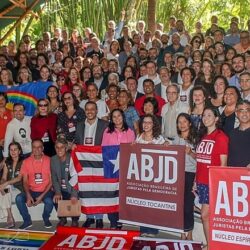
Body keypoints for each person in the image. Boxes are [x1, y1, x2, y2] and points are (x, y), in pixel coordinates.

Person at [195, 107, 228, 250]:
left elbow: (223, 164)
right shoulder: (203, 136)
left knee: (205, 215)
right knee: (206, 216)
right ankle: (211, 244)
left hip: (212, 182)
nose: (206, 117)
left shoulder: (220, 137)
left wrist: (218, 184)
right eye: (204, 115)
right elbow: (200, 160)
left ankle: (212, 245)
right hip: (201, 181)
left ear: (216, 118)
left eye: (209, 115)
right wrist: (195, 180)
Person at [74, 101, 108, 228]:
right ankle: (89, 218)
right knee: (87, 190)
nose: (89, 111)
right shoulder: (79, 126)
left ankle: (99, 218)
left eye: (92, 109)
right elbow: (77, 142)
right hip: (85, 164)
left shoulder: (105, 125)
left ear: (97, 110)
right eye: (87, 109)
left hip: (99, 163)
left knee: (98, 190)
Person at [102, 109, 135, 229]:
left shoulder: (130, 131)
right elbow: (103, 150)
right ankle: (113, 220)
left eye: (119, 116)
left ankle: (121, 218)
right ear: (111, 119)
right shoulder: (107, 131)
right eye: (114, 117)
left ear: (123, 117)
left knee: (122, 195)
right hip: (111, 168)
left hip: (125, 169)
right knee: (112, 195)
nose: (117, 119)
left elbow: (133, 150)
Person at [135, 114, 166, 237]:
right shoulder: (138, 138)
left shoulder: (159, 139)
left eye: (149, 122)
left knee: (152, 204)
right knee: (143, 204)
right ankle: (143, 229)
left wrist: (166, 144)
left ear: (154, 124)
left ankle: (153, 230)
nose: (146, 124)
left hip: (154, 177)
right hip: (141, 177)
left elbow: (166, 151)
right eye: (144, 122)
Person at [16, 139, 54, 229]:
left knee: (49, 201)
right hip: (32, 190)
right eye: (34, 147)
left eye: (39, 147)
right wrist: (28, 195)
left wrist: (41, 196)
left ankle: (45, 217)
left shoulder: (49, 160)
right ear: (31, 148)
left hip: (46, 190)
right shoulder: (26, 162)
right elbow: (25, 181)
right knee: (19, 198)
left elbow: (52, 181)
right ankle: (27, 221)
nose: (36, 149)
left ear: (43, 148)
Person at [172, 113, 197, 240]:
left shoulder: (196, 139)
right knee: (180, 206)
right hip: (177, 174)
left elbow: (202, 160)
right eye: (179, 122)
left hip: (191, 175)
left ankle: (190, 234)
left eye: (184, 121)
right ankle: (182, 233)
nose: (182, 124)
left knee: (188, 206)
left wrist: (191, 152)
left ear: (190, 123)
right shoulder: (176, 139)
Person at [51, 138, 79, 227]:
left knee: (74, 199)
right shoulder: (53, 159)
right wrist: (58, 192)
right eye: (57, 147)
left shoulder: (72, 158)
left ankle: (75, 219)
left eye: (62, 147)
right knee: (55, 197)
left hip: (72, 188)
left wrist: (74, 194)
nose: (59, 150)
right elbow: (54, 178)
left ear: (66, 148)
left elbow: (77, 177)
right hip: (61, 188)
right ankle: (63, 218)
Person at [0, 142, 23, 228]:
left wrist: (4, 184)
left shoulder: (23, 162)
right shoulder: (7, 162)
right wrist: (2, 185)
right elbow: (3, 178)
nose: (13, 152)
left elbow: (19, 178)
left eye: (15, 149)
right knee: (6, 189)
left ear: (19, 151)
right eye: (11, 150)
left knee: (7, 187)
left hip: (20, 189)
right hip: (9, 190)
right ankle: (10, 216)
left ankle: (9, 217)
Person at [228, 100, 250, 167]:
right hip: (234, 175)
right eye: (241, 111)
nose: (244, 113)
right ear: (236, 113)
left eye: (247, 110)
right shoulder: (231, 134)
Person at [0, 92, 12, 162]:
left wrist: (7, 141)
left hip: (10, 145)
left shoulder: (12, 113)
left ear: (6, 100)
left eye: (2, 99)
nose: (0, 101)